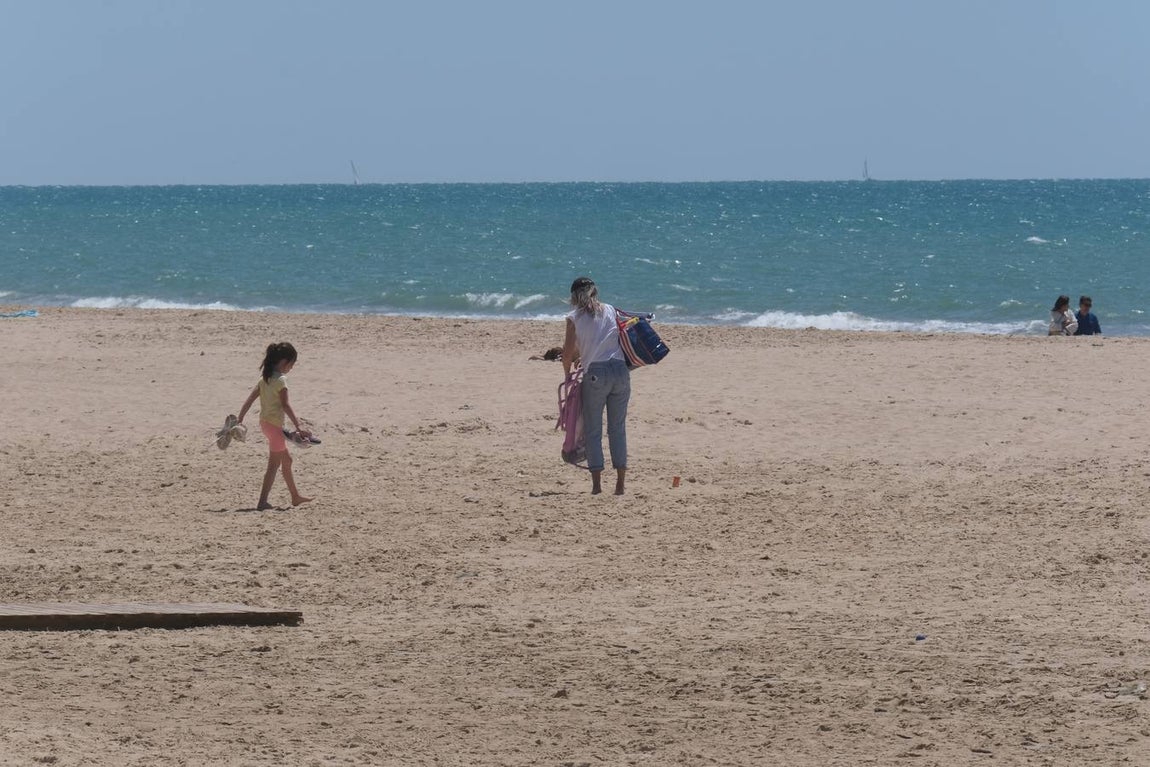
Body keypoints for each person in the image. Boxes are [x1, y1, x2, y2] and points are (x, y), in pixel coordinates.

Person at [562, 277, 631, 495]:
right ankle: (620, 483)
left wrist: (567, 374)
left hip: (596, 376)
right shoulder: (610, 310)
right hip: (620, 371)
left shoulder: (574, 318)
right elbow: (607, 339)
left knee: (593, 430)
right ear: (595, 292)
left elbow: (567, 353)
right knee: (617, 428)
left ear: (573, 297)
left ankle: (597, 485)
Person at [237, 342, 313, 510]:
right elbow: (285, 405)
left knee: (287, 459)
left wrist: (240, 417)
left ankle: (295, 496)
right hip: (275, 427)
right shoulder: (281, 380)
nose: (291, 368)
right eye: (292, 364)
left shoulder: (264, 379)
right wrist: (298, 426)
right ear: (284, 362)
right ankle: (262, 502)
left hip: (265, 424)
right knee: (273, 465)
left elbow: (249, 400)